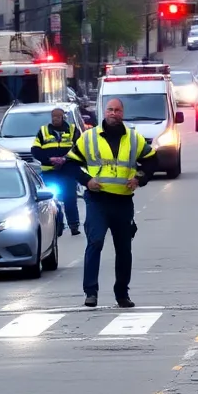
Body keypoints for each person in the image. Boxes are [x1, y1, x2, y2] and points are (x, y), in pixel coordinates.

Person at [66, 98, 157, 308]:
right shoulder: (89, 138)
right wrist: (87, 181)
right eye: (110, 110)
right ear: (103, 112)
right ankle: (91, 292)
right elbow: (70, 164)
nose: (113, 113)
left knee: (124, 249)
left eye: (117, 110)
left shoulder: (134, 138)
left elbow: (153, 160)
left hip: (123, 202)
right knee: (95, 242)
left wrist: (140, 178)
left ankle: (122, 294)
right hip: (97, 200)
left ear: (122, 113)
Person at [31, 107, 83, 235]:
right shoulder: (43, 131)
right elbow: (35, 150)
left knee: (70, 198)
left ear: (63, 117)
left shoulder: (73, 131)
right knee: (52, 201)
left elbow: (80, 148)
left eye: (58, 117)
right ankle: (57, 226)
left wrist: (65, 159)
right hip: (50, 172)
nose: (55, 119)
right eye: (53, 117)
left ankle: (74, 225)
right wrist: (49, 160)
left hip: (68, 171)